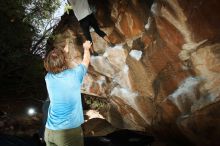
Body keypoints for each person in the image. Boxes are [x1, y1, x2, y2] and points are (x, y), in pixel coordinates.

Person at [43, 39, 92, 146]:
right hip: (67, 133)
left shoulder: (48, 77)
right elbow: (86, 62)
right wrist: (86, 48)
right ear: (64, 60)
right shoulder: (74, 75)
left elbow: (56, 63)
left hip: (49, 131)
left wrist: (64, 52)